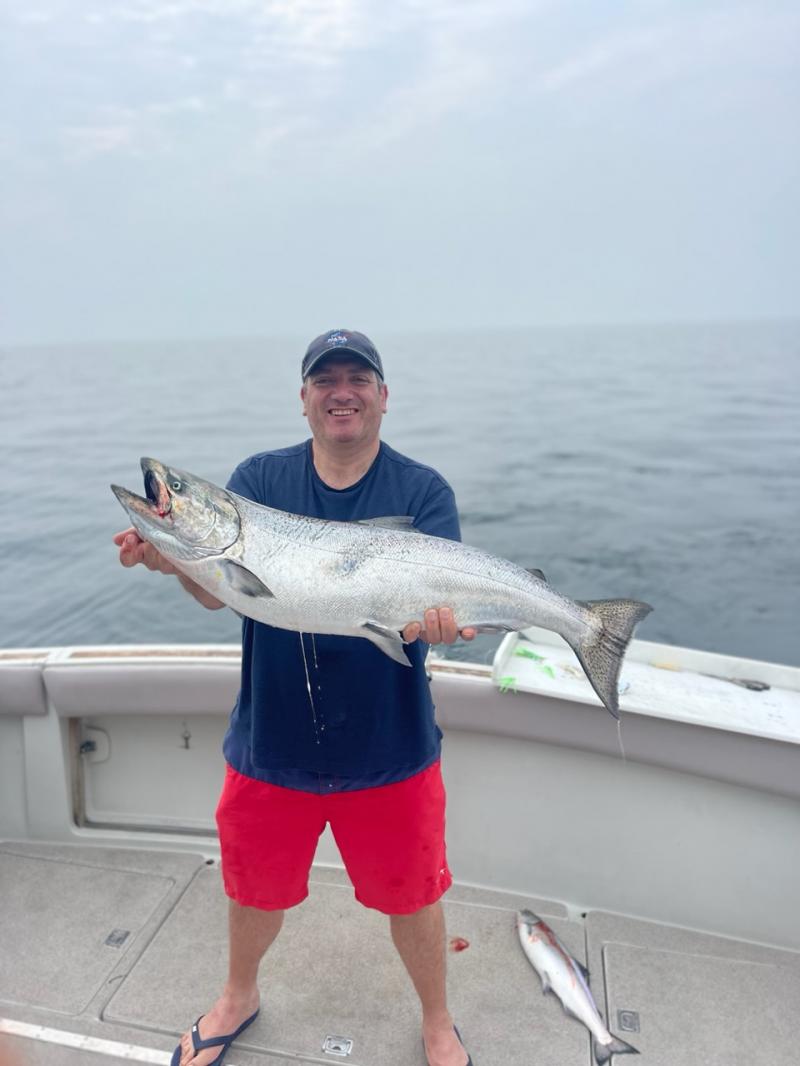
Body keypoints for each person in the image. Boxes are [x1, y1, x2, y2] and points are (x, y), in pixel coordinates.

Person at [114, 329, 476, 1066]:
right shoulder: (258, 480)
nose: (342, 392)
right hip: (272, 739)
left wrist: (437, 627)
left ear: (382, 396)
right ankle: (238, 996)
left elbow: (433, 616)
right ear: (305, 399)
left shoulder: (422, 491)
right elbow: (224, 595)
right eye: (326, 380)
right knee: (252, 889)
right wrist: (175, 559)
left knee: (413, 896)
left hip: (391, 742)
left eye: (358, 379)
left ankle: (437, 1021)